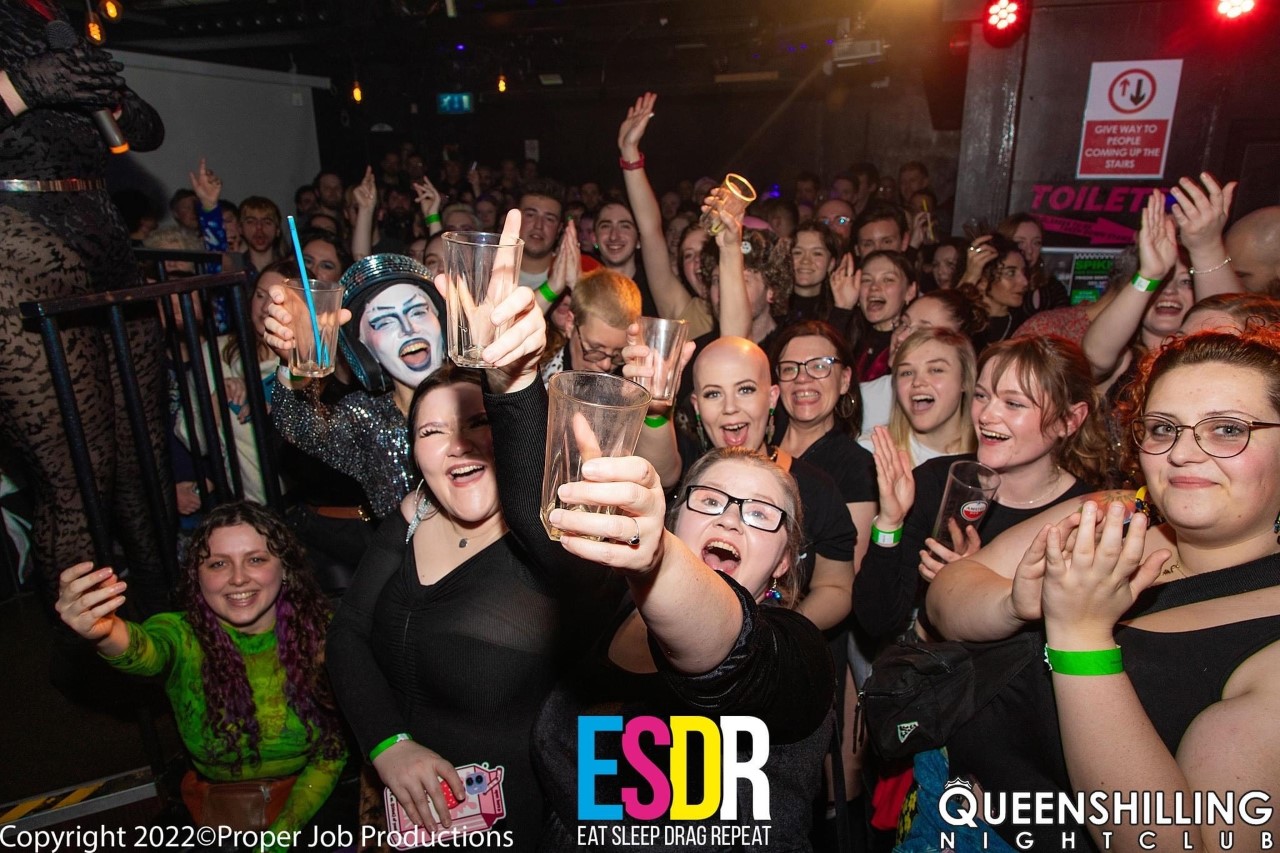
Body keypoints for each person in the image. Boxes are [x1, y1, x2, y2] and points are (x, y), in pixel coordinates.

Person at [926, 327, 1280, 851]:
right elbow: (948, 593)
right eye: (1163, 428)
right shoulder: (1114, 513)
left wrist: (1082, 639)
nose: (1183, 453)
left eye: (1227, 429)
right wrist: (1013, 602)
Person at [483, 325, 835, 848]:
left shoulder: (798, 655)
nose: (732, 522)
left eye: (761, 514)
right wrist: (511, 382)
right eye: (710, 502)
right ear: (675, 516)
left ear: (785, 559)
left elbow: (727, 651)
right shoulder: (610, 605)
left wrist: (660, 558)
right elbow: (546, 523)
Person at [326, 364, 568, 848]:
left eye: (477, 422)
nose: (458, 445)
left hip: (518, 819)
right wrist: (388, 744)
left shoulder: (553, 537)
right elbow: (347, 632)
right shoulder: (413, 516)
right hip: (406, 817)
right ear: (415, 454)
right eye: (431, 431)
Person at [1, 3, 170, 616]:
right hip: (16, 238)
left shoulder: (61, 13)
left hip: (101, 228)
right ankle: (88, 647)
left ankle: (164, 613)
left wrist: (111, 97)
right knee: (79, 468)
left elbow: (146, 133)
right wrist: (25, 86)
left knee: (141, 448)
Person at [55, 501, 346, 850]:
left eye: (256, 559)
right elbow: (143, 651)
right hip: (217, 819)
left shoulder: (322, 633)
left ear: (284, 568)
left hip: (314, 808)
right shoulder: (181, 634)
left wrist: (278, 840)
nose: (238, 578)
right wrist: (103, 632)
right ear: (197, 574)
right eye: (219, 563)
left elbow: (332, 752)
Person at [854, 335, 1108, 642]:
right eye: (982, 396)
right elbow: (876, 623)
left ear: (1069, 420)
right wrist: (889, 524)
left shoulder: (1086, 517)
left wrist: (968, 587)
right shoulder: (936, 482)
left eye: (1013, 403)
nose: (986, 416)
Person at [266, 253, 445, 519]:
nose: (408, 329)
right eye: (383, 321)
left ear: (441, 321)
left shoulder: (483, 397)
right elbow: (296, 423)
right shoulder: (364, 418)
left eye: (418, 311)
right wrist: (294, 363)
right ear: (364, 347)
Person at [615, 92, 714, 337]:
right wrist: (630, 152)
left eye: (703, 252)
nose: (697, 263)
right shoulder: (685, 313)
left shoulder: (755, 307)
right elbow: (650, 231)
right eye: (688, 255)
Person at [859, 288, 987, 435]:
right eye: (904, 324)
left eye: (921, 331)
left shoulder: (982, 425)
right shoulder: (862, 398)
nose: (901, 337)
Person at [864, 327, 977, 468]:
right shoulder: (872, 453)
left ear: (965, 380)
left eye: (936, 370)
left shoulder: (990, 457)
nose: (917, 382)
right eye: (906, 373)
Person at [958, 234, 1029, 353]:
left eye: (1024, 272)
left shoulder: (1026, 328)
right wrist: (969, 278)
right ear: (982, 279)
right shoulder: (963, 323)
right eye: (1010, 273)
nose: (1024, 282)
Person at [856, 249, 919, 380]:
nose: (874, 287)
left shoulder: (914, 345)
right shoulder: (852, 338)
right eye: (866, 280)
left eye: (888, 279)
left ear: (910, 291)